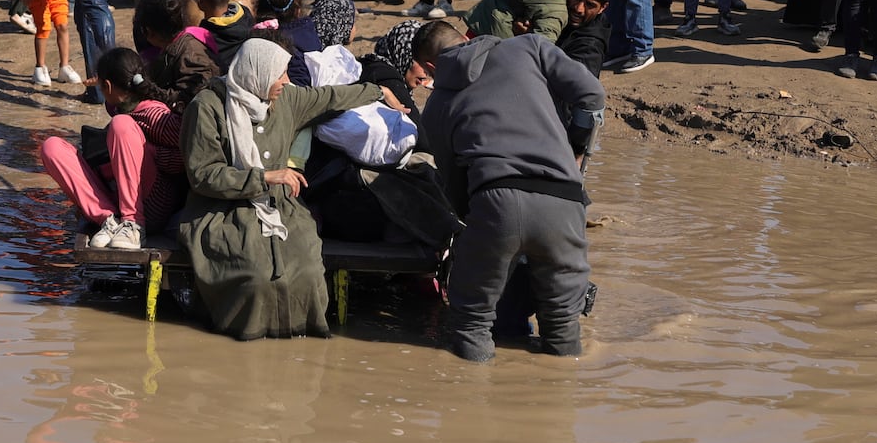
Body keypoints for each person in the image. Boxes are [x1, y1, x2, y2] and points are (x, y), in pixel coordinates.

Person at [412, 19, 607, 362]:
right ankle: (561, 397)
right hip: (565, 198)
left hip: (495, 199)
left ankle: (471, 398)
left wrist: (480, 228)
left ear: (430, 66)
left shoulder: (436, 107)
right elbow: (592, 94)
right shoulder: (529, 46)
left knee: (472, 325)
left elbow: (455, 191)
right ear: (467, 36)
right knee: (563, 328)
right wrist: (575, 148)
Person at [177, 37, 385, 340]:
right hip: (223, 209)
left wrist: (380, 91)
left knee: (309, 271)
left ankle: (299, 342)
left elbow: (330, 97)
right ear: (257, 74)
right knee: (254, 277)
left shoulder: (287, 99)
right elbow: (204, 175)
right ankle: (246, 342)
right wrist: (265, 178)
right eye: (279, 74)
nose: (286, 81)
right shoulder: (207, 107)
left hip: (280, 206)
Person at [39, 47, 185, 252]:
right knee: (52, 147)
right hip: (117, 197)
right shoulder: (124, 105)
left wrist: (151, 153)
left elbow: (189, 152)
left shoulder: (154, 114)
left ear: (107, 86)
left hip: (152, 207)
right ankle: (108, 219)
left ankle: (133, 223)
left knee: (120, 125)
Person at [557, 0, 612, 77]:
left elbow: (573, 86)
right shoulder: (559, 13)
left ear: (602, 8)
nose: (579, 8)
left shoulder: (589, 49)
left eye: (590, 4)